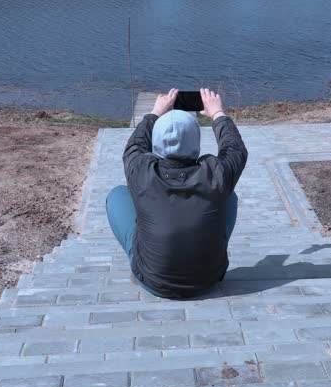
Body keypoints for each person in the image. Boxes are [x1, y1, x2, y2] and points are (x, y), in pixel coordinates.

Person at [105, 88, 248, 298]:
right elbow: (235, 149)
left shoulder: (142, 172)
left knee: (117, 195)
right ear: (196, 142)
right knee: (229, 196)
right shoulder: (217, 175)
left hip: (153, 280)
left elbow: (135, 145)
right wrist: (218, 113)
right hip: (207, 279)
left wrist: (155, 113)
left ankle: (146, 257)